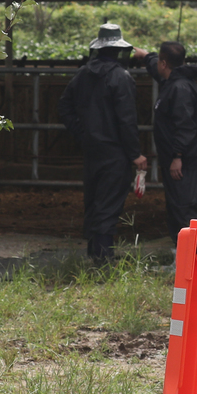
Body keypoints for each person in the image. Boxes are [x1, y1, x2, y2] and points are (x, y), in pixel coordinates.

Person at [58, 23, 148, 260]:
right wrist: (135, 154)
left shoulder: (83, 74)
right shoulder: (121, 77)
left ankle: (94, 252)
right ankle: (103, 258)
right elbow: (126, 120)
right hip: (116, 151)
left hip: (92, 149)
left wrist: (82, 133)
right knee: (109, 204)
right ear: (119, 50)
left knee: (95, 199)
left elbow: (64, 106)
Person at [137, 41, 197, 236]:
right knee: (176, 206)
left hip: (182, 161)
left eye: (158, 60)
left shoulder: (179, 88)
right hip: (177, 159)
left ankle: (190, 260)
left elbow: (185, 125)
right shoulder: (173, 81)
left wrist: (177, 155)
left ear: (164, 64)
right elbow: (155, 67)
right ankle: (180, 258)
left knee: (184, 207)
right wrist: (146, 55)